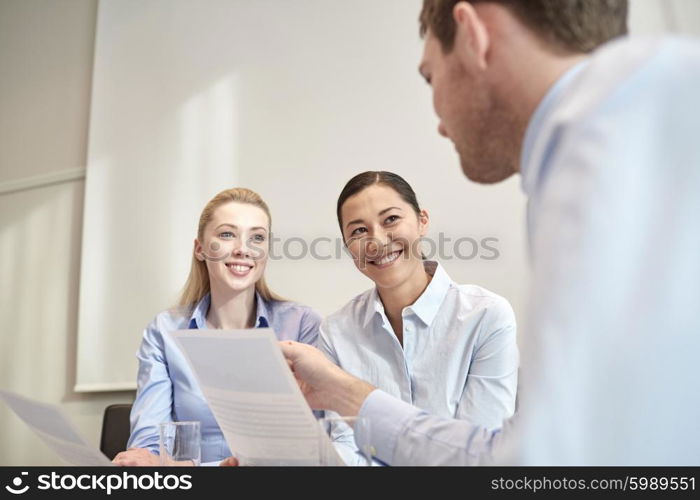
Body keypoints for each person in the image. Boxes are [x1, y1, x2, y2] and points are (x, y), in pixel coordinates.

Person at [280, 0, 700, 465]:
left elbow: (536, 460)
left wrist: (349, 396)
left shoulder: (603, 155)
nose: (439, 123)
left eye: (429, 77)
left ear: (472, 33)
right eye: (357, 230)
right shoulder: (596, 143)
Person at [112, 188, 321, 466]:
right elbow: (148, 447)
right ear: (200, 249)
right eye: (226, 234)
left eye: (257, 237)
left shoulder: (302, 325)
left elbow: (309, 446)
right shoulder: (164, 330)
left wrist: (192, 468)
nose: (243, 249)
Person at [321, 170, 518, 465]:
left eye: (391, 219)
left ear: (422, 221)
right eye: (359, 231)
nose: (376, 240)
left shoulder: (487, 317)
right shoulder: (336, 332)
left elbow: (476, 453)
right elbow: (346, 446)